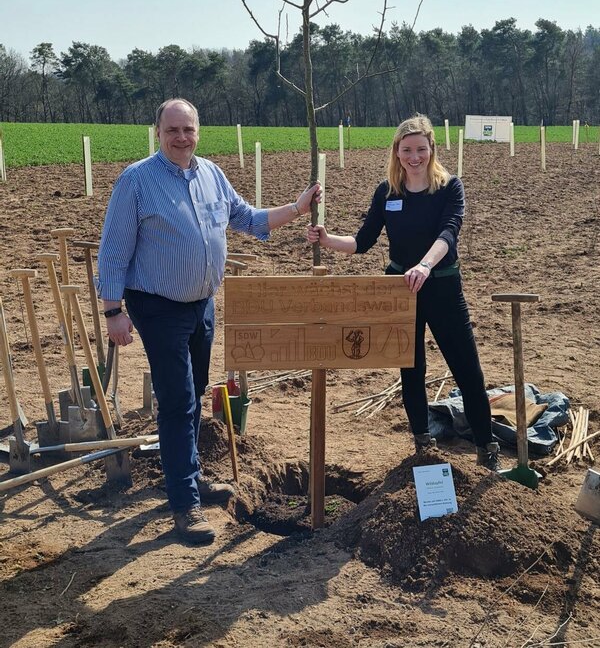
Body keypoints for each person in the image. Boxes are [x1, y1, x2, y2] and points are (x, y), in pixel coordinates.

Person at [97, 98, 321, 544]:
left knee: (195, 392)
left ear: (198, 132)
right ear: (157, 133)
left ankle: (190, 476)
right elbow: (114, 251)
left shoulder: (212, 175)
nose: (181, 138)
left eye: (189, 130)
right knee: (178, 400)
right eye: (172, 130)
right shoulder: (136, 181)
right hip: (156, 305)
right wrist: (113, 311)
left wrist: (296, 208)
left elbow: (248, 219)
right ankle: (185, 507)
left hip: (202, 304)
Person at [307, 114, 500, 471]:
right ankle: (422, 442)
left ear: (431, 150)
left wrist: (425, 266)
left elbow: (448, 233)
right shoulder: (387, 192)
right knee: (410, 369)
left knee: (467, 370)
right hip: (399, 290)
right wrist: (326, 238)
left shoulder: (449, 188)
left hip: (441, 284)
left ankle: (487, 447)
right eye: (407, 150)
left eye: (421, 150)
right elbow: (363, 241)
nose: (414, 157)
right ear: (397, 152)